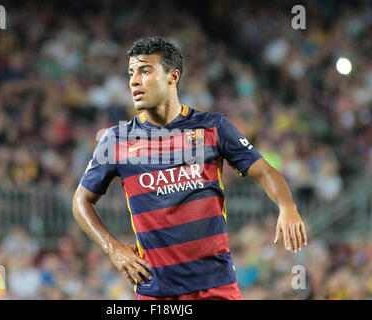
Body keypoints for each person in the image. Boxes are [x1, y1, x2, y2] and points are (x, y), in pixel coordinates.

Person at [72, 36, 307, 300]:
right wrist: (112, 248)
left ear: (172, 76)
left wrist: (287, 206)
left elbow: (264, 171)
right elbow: (81, 201)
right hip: (156, 290)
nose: (134, 81)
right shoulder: (116, 140)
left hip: (215, 287)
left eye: (145, 70)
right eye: (131, 73)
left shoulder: (213, 127)